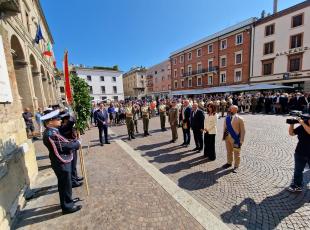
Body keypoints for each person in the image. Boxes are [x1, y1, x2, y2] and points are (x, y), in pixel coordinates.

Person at [41, 109, 82, 214]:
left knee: (65, 184)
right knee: (64, 185)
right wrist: (77, 143)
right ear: (50, 122)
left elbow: (63, 141)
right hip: (61, 162)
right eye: (57, 118)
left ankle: (68, 201)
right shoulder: (51, 133)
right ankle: (67, 206)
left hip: (60, 161)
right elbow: (63, 146)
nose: (60, 120)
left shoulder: (53, 131)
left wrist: (73, 141)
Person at [59, 112, 84, 188]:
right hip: (69, 147)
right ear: (64, 120)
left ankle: (75, 177)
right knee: (72, 165)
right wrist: (74, 116)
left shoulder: (67, 125)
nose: (68, 120)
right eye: (67, 119)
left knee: (74, 164)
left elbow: (72, 128)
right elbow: (69, 124)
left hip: (73, 146)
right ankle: (73, 182)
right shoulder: (62, 127)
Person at [287, 117, 310, 192]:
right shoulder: (304, 124)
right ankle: (297, 186)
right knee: (298, 171)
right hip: (300, 153)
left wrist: (302, 122)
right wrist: (292, 124)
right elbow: (291, 133)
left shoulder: (303, 123)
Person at [222, 105, 245, 173]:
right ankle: (229, 163)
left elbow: (243, 130)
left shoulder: (240, 119)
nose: (229, 110)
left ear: (235, 110)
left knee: (236, 153)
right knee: (229, 151)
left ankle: (236, 166)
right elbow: (225, 128)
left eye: (231, 109)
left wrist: (241, 140)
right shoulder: (227, 118)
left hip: (236, 139)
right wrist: (224, 136)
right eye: (230, 109)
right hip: (227, 138)